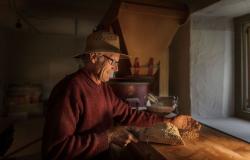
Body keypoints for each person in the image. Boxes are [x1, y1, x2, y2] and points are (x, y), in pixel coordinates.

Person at [42, 31, 199, 160]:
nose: (115, 69)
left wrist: (170, 121)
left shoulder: (103, 89)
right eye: (112, 62)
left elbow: (129, 114)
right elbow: (57, 149)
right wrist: (108, 137)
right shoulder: (70, 89)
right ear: (94, 57)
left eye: (116, 63)